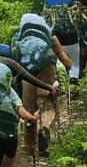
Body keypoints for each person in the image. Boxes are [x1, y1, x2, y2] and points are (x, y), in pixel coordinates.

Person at [0, 43, 60, 167]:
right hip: (6, 116)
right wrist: (48, 88)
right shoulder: (10, 70)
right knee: (12, 148)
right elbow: (30, 82)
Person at [9, 13, 70, 158]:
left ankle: (29, 144)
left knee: (29, 109)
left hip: (26, 73)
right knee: (47, 104)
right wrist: (68, 65)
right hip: (47, 70)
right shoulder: (50, 35)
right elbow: (65, 61)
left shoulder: (17, 38)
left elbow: (13, 61)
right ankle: (44, 129)